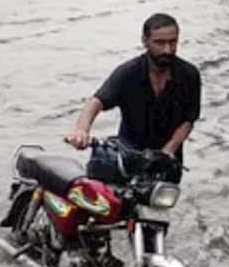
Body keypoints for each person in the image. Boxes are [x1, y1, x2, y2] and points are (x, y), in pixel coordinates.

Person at [67, 13, 201, 167]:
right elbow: (97, 102)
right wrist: (82, 130)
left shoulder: (189, 74)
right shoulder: (128, 73)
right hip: (129, 152)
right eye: (159, 43)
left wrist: (168, 150)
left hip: (169, 155)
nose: (167, 50)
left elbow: (188, 119)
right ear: (145, 41)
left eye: (172, 42)